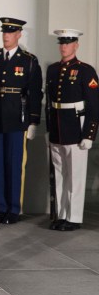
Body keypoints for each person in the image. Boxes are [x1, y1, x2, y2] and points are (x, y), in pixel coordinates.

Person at [0, 17, 43, 224]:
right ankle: (2, 209)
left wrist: (34, 121)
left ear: (18, 35)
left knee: (14, 165)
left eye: (10, 32)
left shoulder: (28, 60)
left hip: (17, 118)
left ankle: (14, 210)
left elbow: (35, 93)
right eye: (4, 32)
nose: (6, 36)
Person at [45, 29, 98, 232]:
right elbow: (49, 103)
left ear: (76, 45)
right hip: (58, 127)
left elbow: (94, 105)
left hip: (76, 128)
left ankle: (74, 217)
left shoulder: (86, 70)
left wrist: (89, 134)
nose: (64, 46)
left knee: (75, 175)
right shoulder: (52, 70)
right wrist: (49, 130)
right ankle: (61, 214)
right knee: (59, 174)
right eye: (61, 43)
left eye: (68, 43)